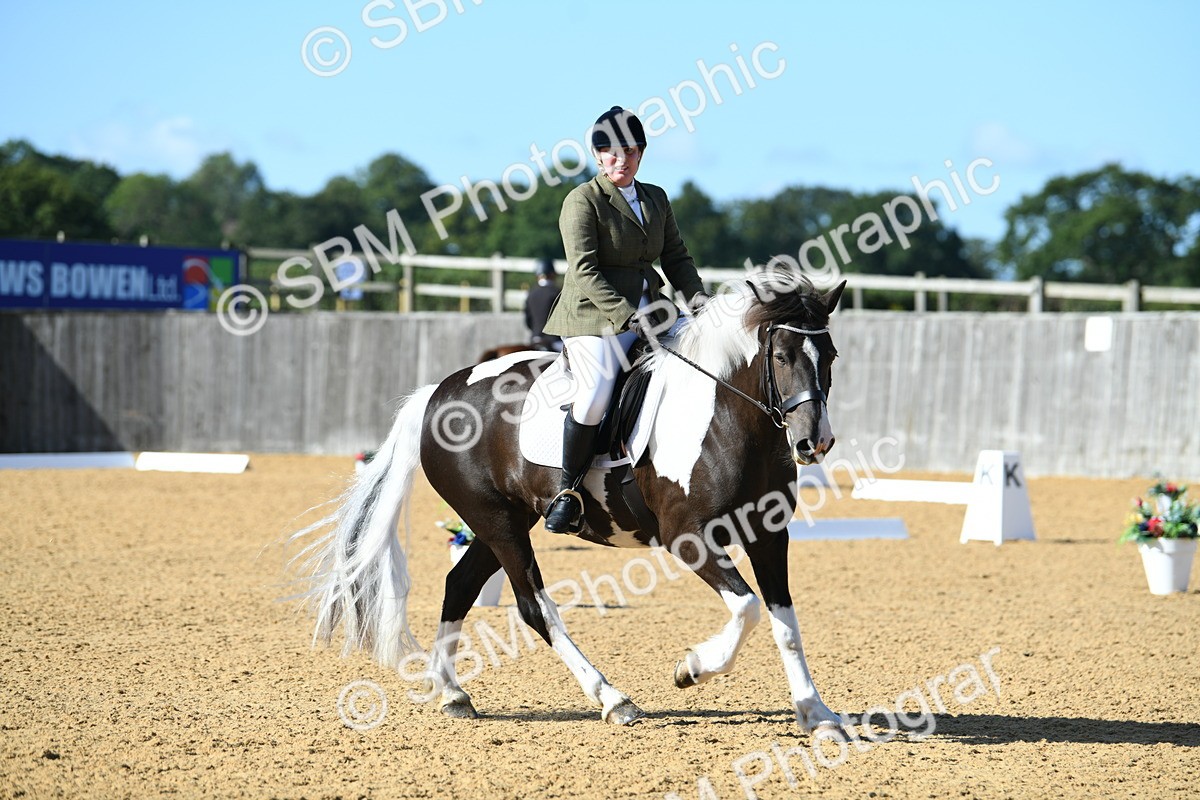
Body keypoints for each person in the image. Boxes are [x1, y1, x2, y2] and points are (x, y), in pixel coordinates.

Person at [540, 106, 710, 534]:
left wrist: (701, 306)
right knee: (596, 393)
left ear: (642, 153)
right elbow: (584, 270)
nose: (622, 160)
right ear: (598, 156)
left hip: (653, 310)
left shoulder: (656, 198)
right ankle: (568, 490)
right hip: (594, 317)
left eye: (631, 152)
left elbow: (676, 257)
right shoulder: (582, 200)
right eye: (612, 153)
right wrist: (627, 316)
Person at [523, 257, 563, 352]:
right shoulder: (557, 292)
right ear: (552, 274)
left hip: (535, 339)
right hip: (554, 341)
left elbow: (528, 320)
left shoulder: (531, 293)